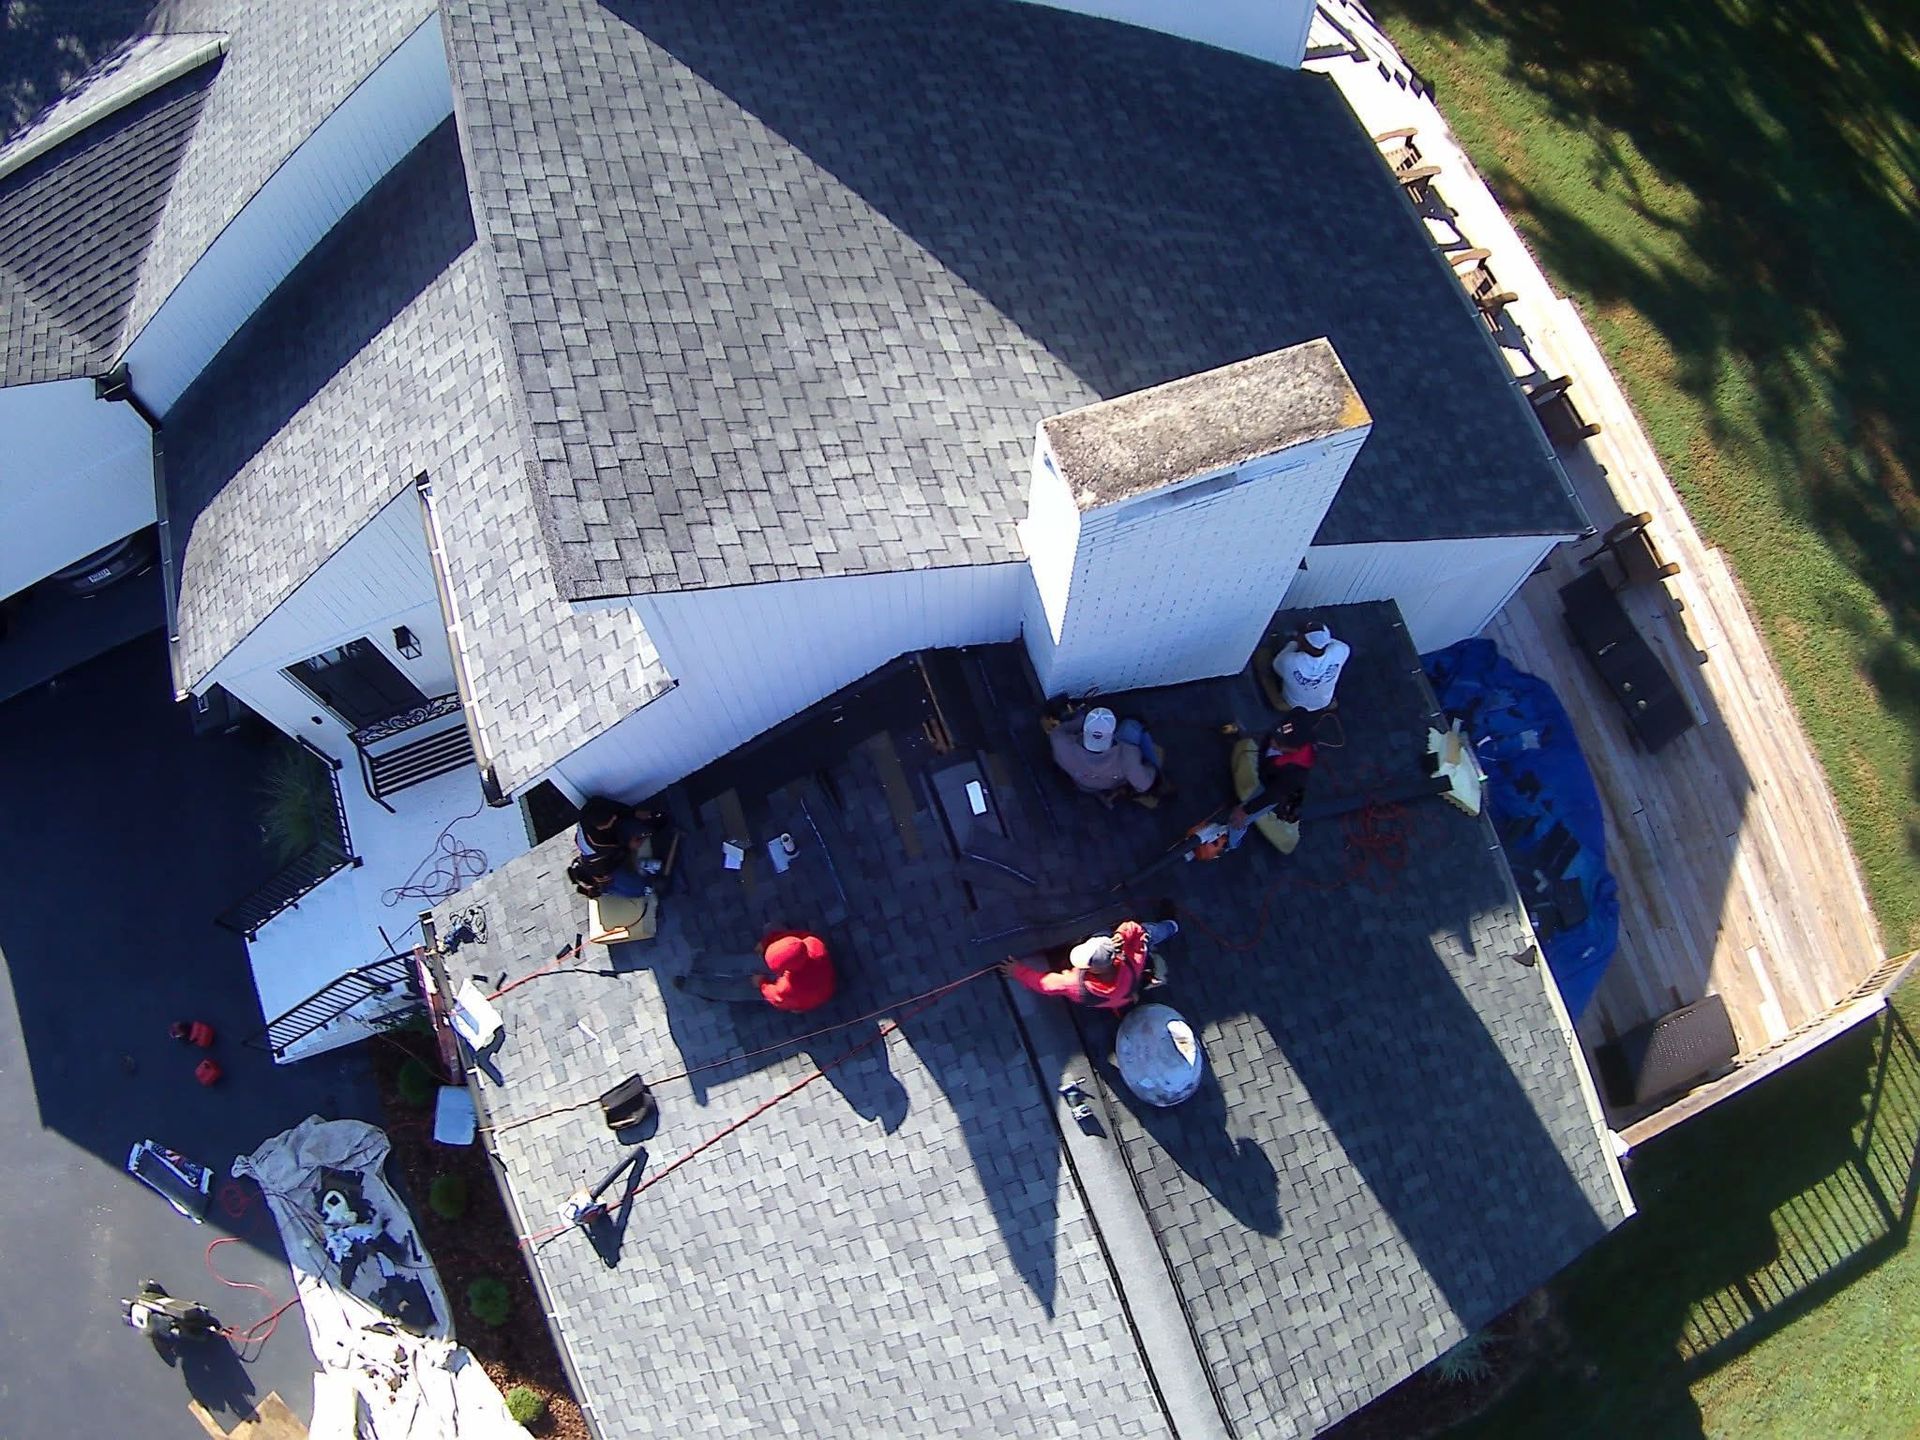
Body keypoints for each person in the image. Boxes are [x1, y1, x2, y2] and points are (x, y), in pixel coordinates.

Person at [1001, 918, 1178, 1012]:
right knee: (1147, 932)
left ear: (1092, 969)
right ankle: (1171, 927)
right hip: (1122, 995)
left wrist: (1016, 970)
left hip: (1114, 1000)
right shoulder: (1132, 962)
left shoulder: (1075, 985)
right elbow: (1137, 931)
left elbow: (1044, 984)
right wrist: (1122, 935)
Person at [674, 929, 836, 1013]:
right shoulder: (811, 943)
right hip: (810, 975)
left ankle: (699, 987)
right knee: (750, 962)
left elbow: (776, 997)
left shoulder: (789, 988)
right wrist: (766, 942)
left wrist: (761, 984)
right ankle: (703, 965)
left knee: (741, 990)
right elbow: (789, 936)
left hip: (802, 999)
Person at [1227, 707, 1318, 855]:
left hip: (1270, 789)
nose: (1273, 742)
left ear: (1294, 750)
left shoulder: (1294, 775)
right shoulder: (1291, 726)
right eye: (1276, 736)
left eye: (1279, 743)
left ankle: (1231, 843)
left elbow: (1272, 795)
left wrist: (1245, 811)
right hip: (1268, 773)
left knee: (1237, 821)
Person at [1048, 706, 1161, 805]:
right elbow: (1143, 784)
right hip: (1110, 785)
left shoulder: (1061, 743)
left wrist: (1081, 718)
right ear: (1112, 732)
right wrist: (1152, 769)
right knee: (1132, 726)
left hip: (1083, 785)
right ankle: (1161, 775)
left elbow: (1060, 730)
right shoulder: (1127, 755)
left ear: (1085, 729)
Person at [569, 796, 669, 898]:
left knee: (645, 828)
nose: (614, 818)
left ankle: (645, 829)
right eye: (610, 820)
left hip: (611, 839)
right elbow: (618, 855)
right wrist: (630, 847)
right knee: (642, 889)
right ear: (600, 827)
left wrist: (635, 813)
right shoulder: (599, 849)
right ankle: (643, 867)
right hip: (608, 866)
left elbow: (615, 810)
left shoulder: (591, 808)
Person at [1271, 621, 1351, 713]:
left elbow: (1276, 666)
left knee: (1265, 666)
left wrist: (1293, 642)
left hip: (1293, 704)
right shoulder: (1342, 649)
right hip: (1324, 702)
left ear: (1303, 642)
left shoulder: (1288, 661)